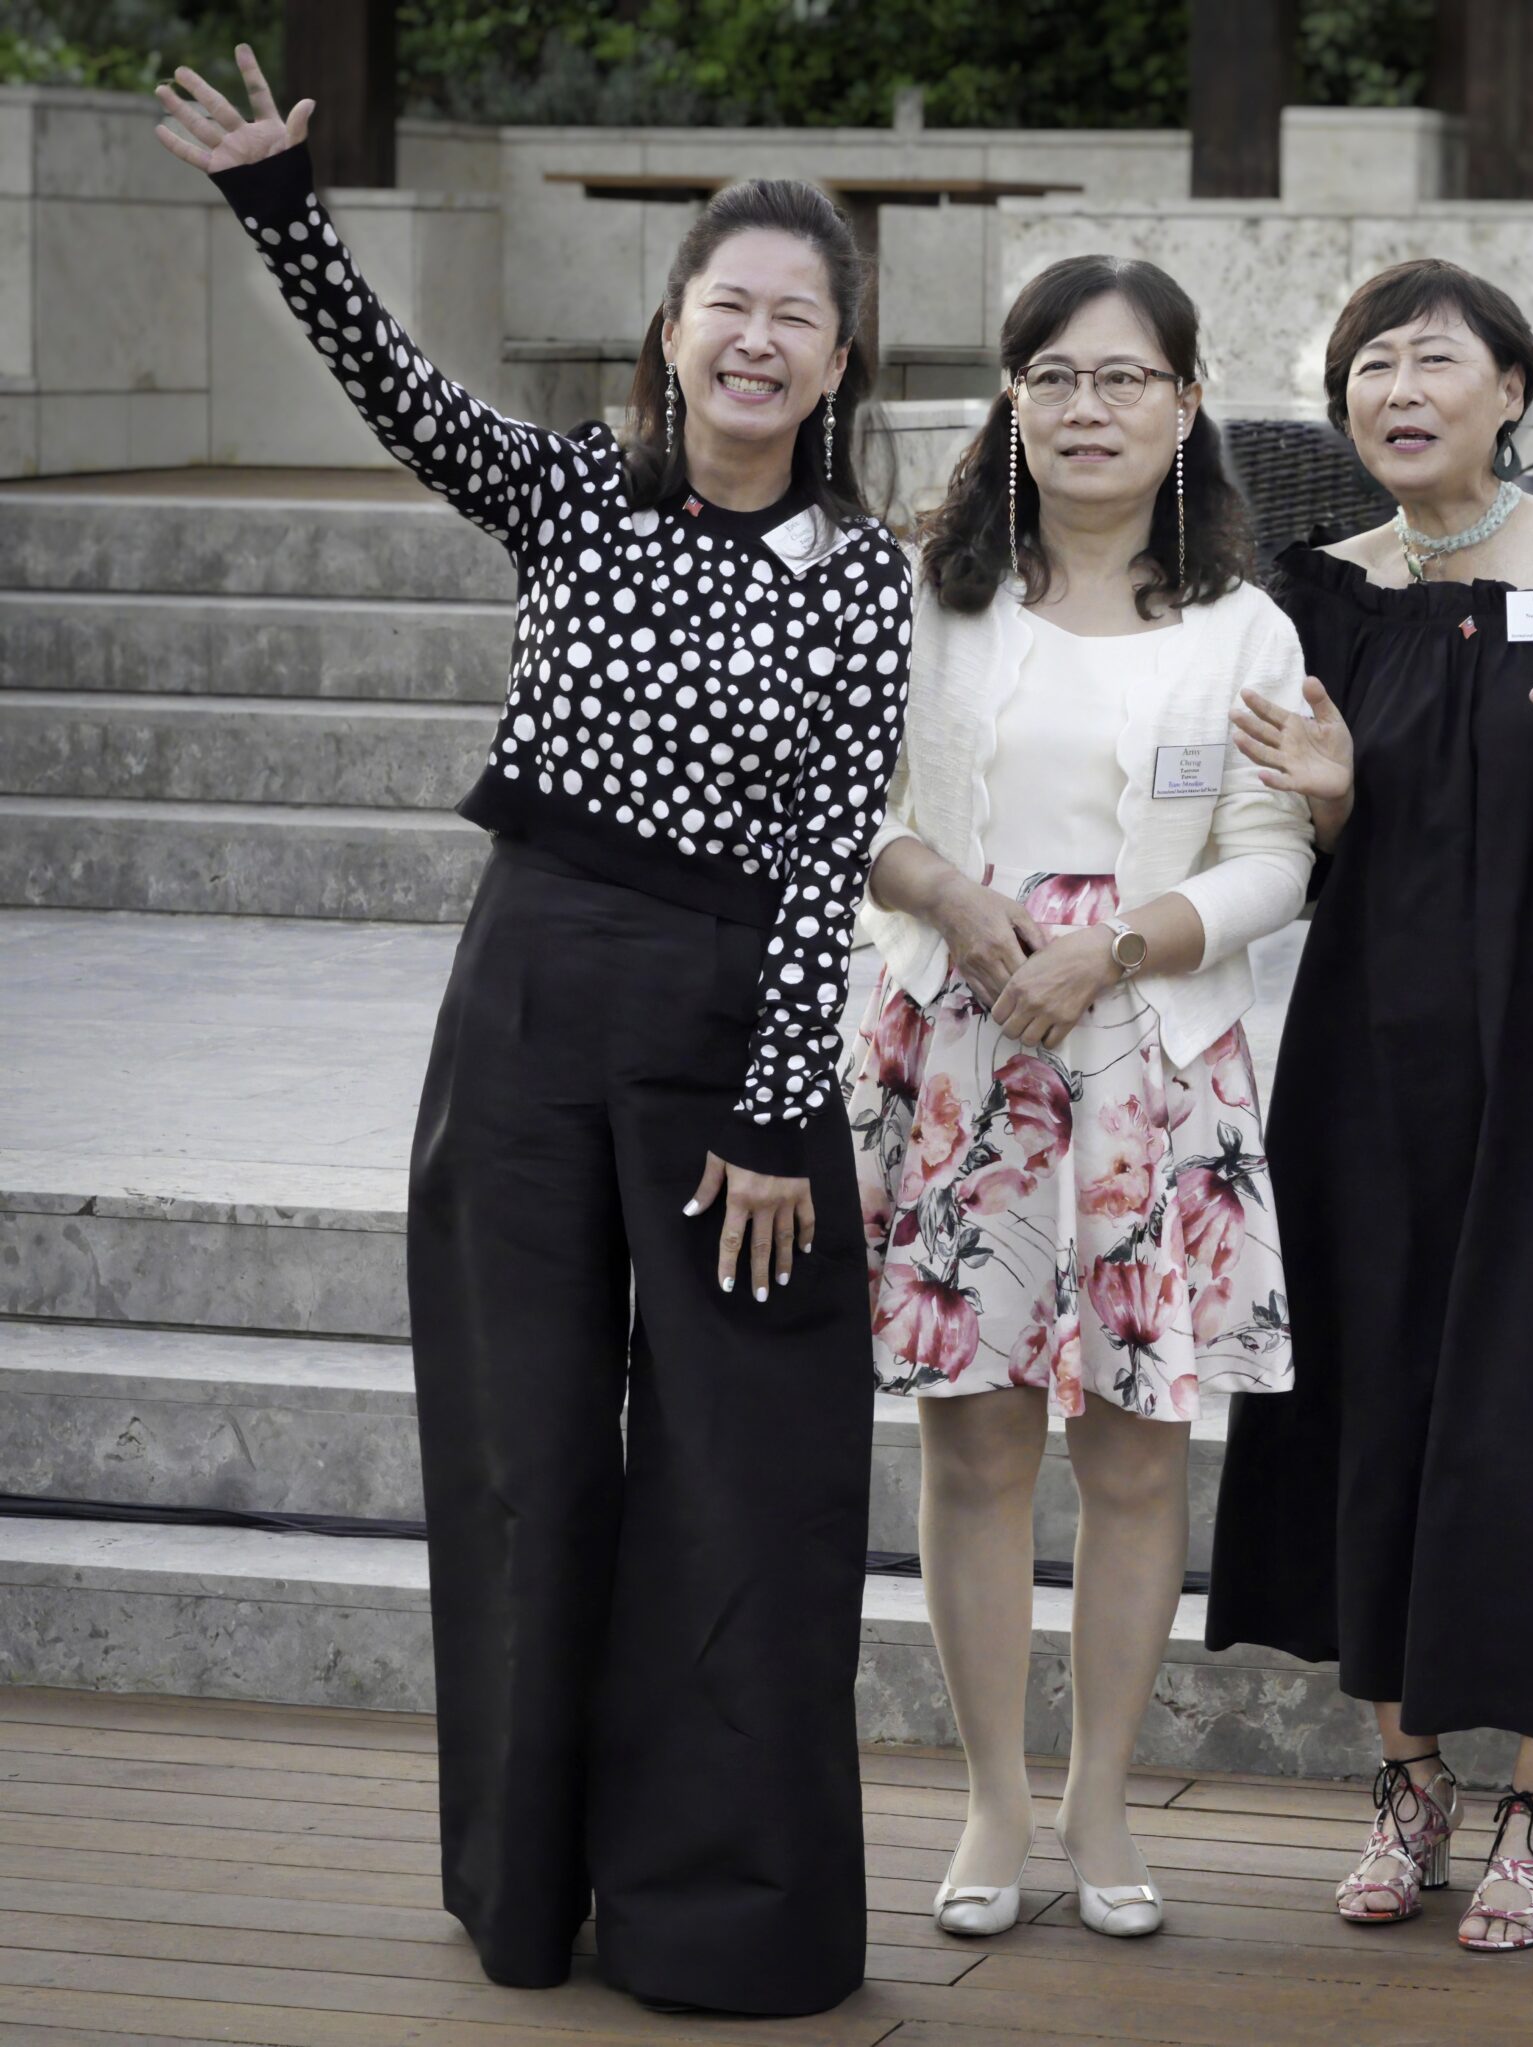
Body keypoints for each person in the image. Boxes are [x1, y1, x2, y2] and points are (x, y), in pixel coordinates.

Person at [156, 49, 909, 2018]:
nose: (756, 341)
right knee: (525, 1452)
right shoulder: (572, 492)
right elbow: (397, 390)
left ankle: (720, 1912)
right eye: (727, 305)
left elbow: (828, 851)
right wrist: (282, 212)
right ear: (673, 330)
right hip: (527, 999)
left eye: (796, 318)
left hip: (731, 1034)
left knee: (744, 1474)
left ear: (839, 365)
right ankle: (523, 1884)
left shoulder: (861, 578)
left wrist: (776, 1115)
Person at [1207, 257, 1533, 1956]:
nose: (1397, 389)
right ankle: (1407, 1779)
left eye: (1434, 360)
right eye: (1369, 366)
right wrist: (1329, 803)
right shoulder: (1318, 598)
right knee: (1381, 1387)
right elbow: (1287, 843)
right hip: (1370, 1059)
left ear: (1512, 389)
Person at [849, 256, 1313, 1945]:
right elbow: (852, 805)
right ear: (1013, 402)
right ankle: (991, 1801)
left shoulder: (1244, 625)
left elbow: (1274, 858)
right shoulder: (928, 592)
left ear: (1186, 405)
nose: (1086, 408)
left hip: (1151, 1069)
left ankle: (1103, 1802)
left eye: (1124, 379)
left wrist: (1112, 948)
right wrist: (960, 907)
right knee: (975, 1445)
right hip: (964, 1045)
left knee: (1134, 1455)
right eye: (1052, 376)